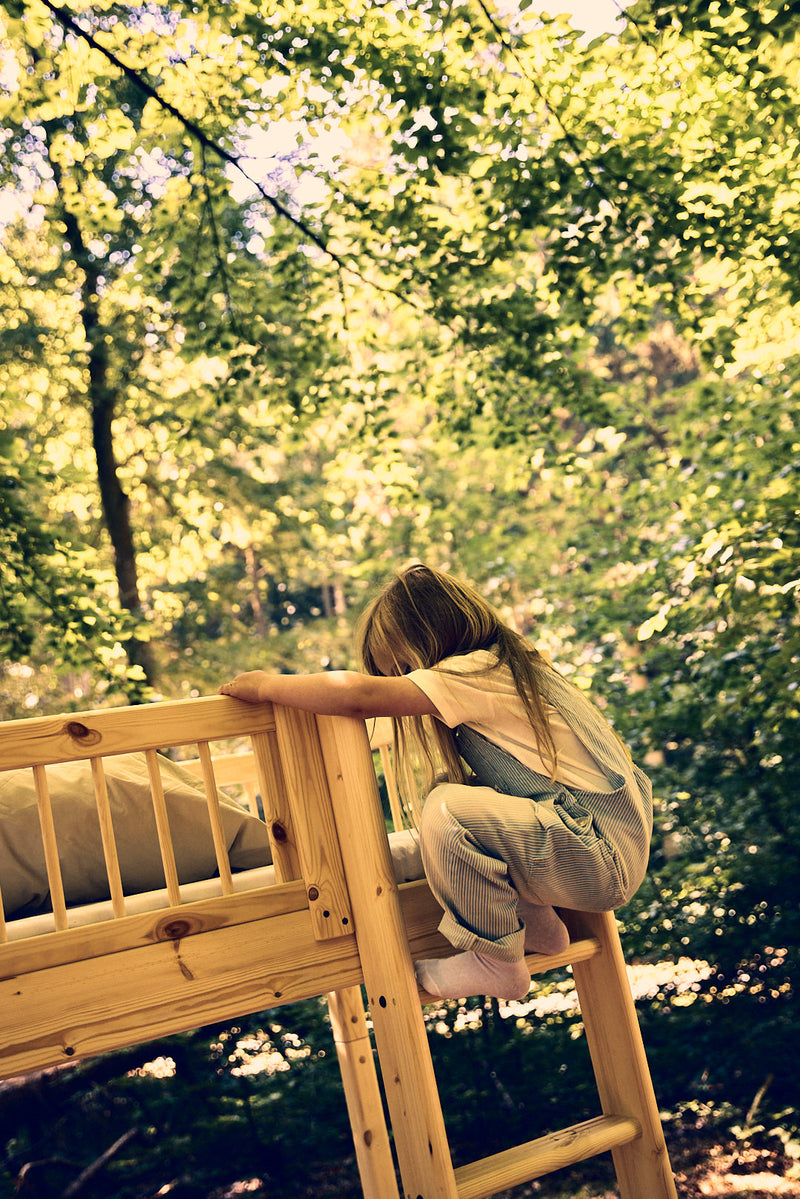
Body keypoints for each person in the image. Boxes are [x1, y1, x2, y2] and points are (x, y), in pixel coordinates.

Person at [219, 563, 653, 1002]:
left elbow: (358, 697)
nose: (401, 683)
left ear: (433, 637)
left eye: (405, 667)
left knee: (448, 810)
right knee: (459, 789)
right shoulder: (515, 667)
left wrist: (266, 687)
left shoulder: (478, 671)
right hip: (601, 847)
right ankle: (539, 929)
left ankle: (496, 965)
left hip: (596, 855)